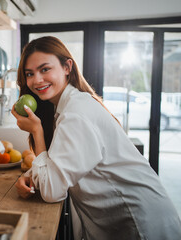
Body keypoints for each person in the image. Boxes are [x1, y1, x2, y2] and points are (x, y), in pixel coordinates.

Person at [11, 36, 181, 240]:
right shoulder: (68, 106)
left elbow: (52, 191)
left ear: (67, 67)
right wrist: (32, 175)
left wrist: (37, 131)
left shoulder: (76, 113)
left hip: (140, 221)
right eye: (30, 74)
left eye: (45, 69)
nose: (36, 80)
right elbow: (64, 160)